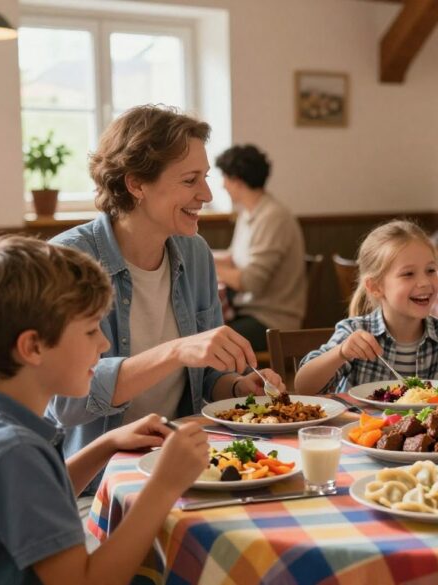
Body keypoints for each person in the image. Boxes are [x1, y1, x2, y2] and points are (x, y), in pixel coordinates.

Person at [0, 234, 209, 584]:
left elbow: (37, 495)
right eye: (91, 330)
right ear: (33, 347)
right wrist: (165, 486)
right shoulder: (13, 452)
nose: (105, 343)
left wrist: (106, 445)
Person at [49, 106, 283, 485]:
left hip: (183, 468)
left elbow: (207, 380)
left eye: (205, 178)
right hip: (99, 484)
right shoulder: (69, 260)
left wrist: (239, 387)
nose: (206, 194)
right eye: (190, 180)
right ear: (137, 184)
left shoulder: (195, 254)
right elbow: (66, 403)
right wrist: (176, 351)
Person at [296, 220, 438, 394]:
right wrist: (340, 353)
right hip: (360, 426)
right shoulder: (355, 333)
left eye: (431, 270)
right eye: (408, 274)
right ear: (375, 287)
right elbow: (303, 387)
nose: (424, 282)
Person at [213, 144, 307, 350]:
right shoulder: (250, 213)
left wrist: (206, 265)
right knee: (203, 332)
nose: (223, 186)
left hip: (273, 322)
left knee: (209, 340)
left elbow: (250, 282)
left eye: (225, 179)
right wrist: (201, 255)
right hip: (251, 312)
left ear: (237, 181)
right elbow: (233, 257)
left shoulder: (273, 217)